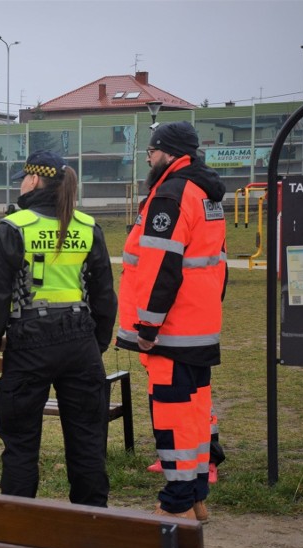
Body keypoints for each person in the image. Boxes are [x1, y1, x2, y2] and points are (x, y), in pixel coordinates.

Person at [0, 150, 117, 506]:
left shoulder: (14, 228)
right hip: (80, 340)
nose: (21, 184)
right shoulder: (87, 227)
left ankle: (19, 527)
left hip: (29, 341)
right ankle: (92, 524)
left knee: (21, 443)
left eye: (23, 177)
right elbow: (104, 295)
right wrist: (95, 344)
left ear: (34, 180)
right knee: (87, 441)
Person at [116, 121, 227, 521]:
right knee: (196, 410)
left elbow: (160, 267)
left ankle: (176, 501)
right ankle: (196, 493)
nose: (147, 157)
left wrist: (148, 328)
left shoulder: (171, 194)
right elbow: (217, 265)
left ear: (169, 152)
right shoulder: (206, 194)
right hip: (198, 326)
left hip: (171, 332)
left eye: (151, 150)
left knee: (173, 412)